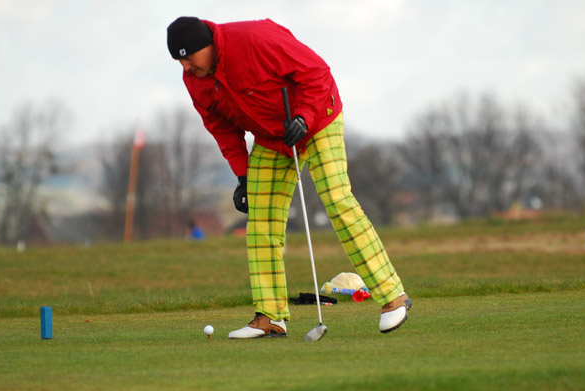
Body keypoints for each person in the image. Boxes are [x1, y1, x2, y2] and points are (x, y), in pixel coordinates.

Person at [166, 16, 411, 339]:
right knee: (261, 223)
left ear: (208, 46)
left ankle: (393, 297)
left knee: (338, 202)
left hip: (319, 118)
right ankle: (271, 317)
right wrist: (242, 176)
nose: (186, 66)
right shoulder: (195, 78)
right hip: (271, 139)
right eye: (179, 60)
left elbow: (316, 72)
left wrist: (304, 116)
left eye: (189, 56)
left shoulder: (255, 38)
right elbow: (222, 128)